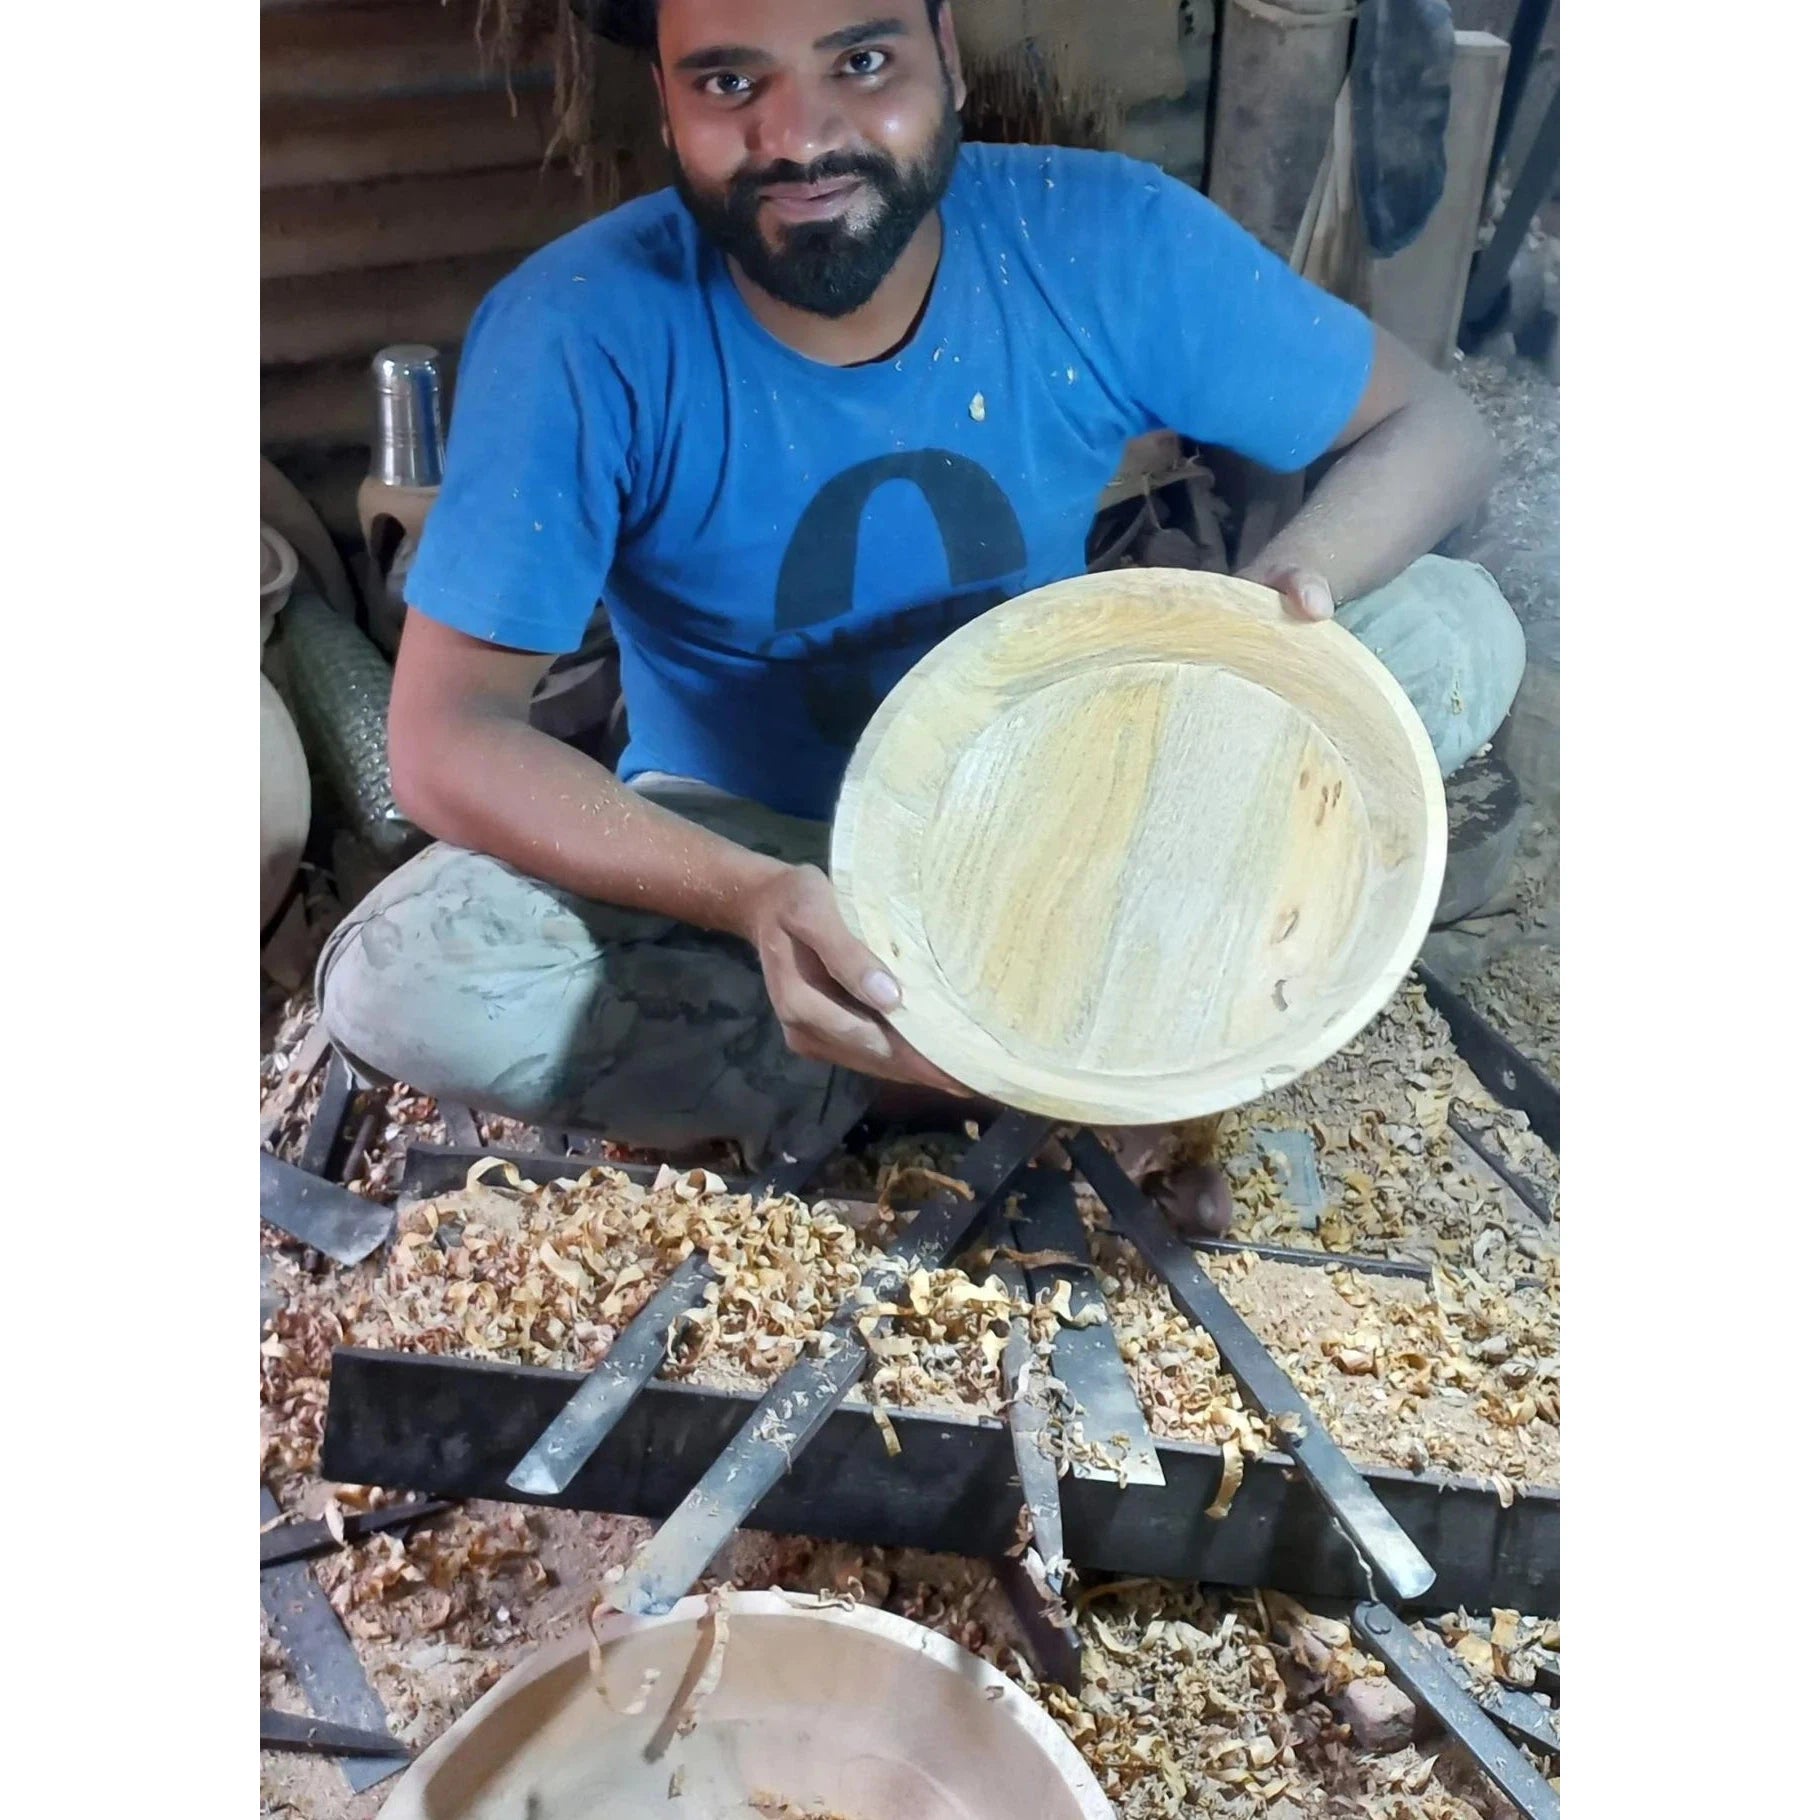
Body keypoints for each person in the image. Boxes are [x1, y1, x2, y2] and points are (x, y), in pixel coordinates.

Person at [316, 0, 1522, 1204]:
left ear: (945, 55)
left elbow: (1435, 429)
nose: (799, 138)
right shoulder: (579, 326)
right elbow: (440, 739)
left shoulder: (1095, 233)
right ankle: (1037, 1049)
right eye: (729, 85)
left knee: (1451, 623)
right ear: (670, 103)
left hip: (1070, 802)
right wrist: (745, 897)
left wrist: (1262, 621)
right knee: (400, 970)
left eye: (862, 61)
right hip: (768, 848)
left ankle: (992, 1042)